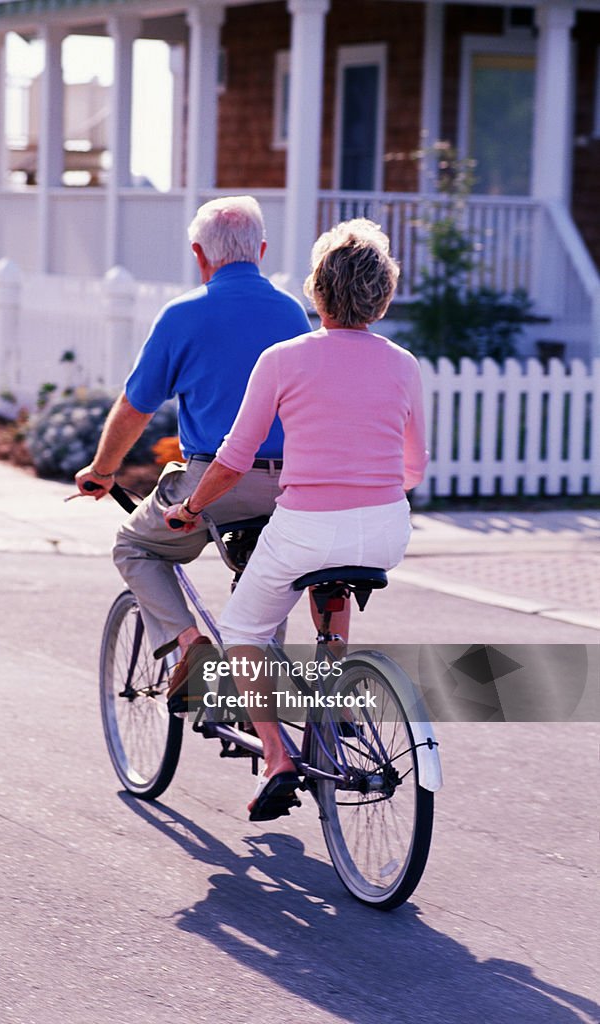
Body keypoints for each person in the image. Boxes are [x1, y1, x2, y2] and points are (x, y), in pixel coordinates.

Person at [164, 218, 429, 821]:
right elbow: (414, 464)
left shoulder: (283, 359)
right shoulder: (404, 364)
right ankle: (331, 697)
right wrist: (379, 489)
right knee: (333, 581)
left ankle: (279, 757)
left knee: (243, 634)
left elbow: (233, 459)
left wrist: (191, 507)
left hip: (307, 526)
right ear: (382, 295)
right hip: (387, 527)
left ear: (317, 291)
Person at [75, 195, 311, 687]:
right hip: (288, 482)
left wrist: (102, 470)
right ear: (261, 250)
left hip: (214, 479)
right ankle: (259, 702)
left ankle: (190, 644)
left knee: (135, 547)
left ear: (199, 255)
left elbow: (137, 406)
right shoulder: (292, 313)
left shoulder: (182, 315)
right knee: (263, 573)